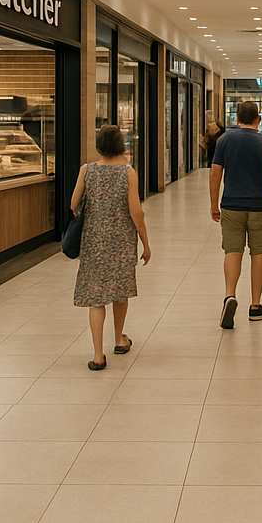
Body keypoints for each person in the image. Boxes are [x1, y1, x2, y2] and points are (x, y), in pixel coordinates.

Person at [71, 123, 151, 370]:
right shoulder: (128, 172)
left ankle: (97, 355)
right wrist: (146, 243)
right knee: (119, 291)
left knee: (97, 298)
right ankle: (119, 339)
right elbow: (136, 212)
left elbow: (73, 204)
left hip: (93, 241)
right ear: (121, 146)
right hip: (121, 241)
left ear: (99, 146)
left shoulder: (87, 170)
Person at [210, 100, 262, 328]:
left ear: (237, 118)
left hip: (231, 204)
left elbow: (215, 174)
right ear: (258, 118)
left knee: (233, 250)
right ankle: (255, 305)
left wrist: (214, 204)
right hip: (260, 204)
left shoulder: (224, 140)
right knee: (259, 252)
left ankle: (229, 295)